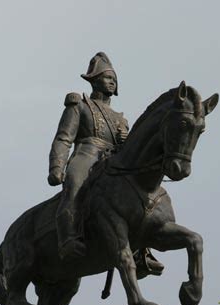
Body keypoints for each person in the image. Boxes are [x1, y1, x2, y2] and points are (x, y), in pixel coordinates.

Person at [48, 52, 163, 276]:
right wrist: (57, 167)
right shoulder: (79, 106)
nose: (112, 82)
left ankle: (142, 254)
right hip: (87, 154)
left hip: (113, 161)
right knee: (75, 186)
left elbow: (132, 151)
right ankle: (68, 238)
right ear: (94, 79)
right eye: (107, 77)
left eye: (114, 79)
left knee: (138, 196)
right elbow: (64, 137)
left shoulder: (121, 119)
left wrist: (124, 142)